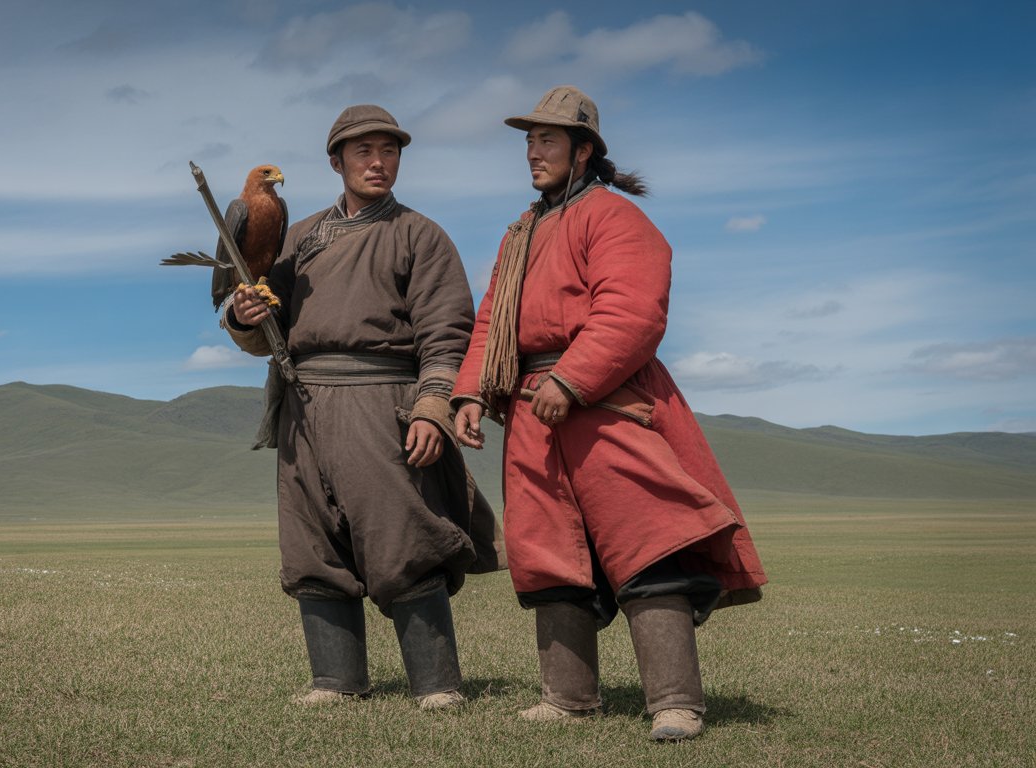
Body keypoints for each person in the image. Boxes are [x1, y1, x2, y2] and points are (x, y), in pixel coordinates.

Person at [451, 85, 767, 741]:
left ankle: (675, 702)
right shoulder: (520, 234)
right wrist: (470, 394)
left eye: (548, 140)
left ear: (584, 148)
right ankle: (568, 697)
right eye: (530, 141)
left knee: (646, 543)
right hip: (533, 414)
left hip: (607, 404)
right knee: (548, 553)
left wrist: (572, 378)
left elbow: (632, 312)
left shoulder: (615, 219)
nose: (534, 152)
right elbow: (491, 324)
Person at [225, 104, 501, 710]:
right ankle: (336, 681)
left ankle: (437, 686)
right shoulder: (300, 236)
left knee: (402, 533)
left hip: (382, 401)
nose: (378, 163)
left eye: (390, 152)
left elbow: (447, 330)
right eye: (363, 153)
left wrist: (432, 404)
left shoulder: (419, 234)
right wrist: (246, 317)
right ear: (336, 162)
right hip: (300, 403)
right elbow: (267, 322)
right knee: (310, 541)